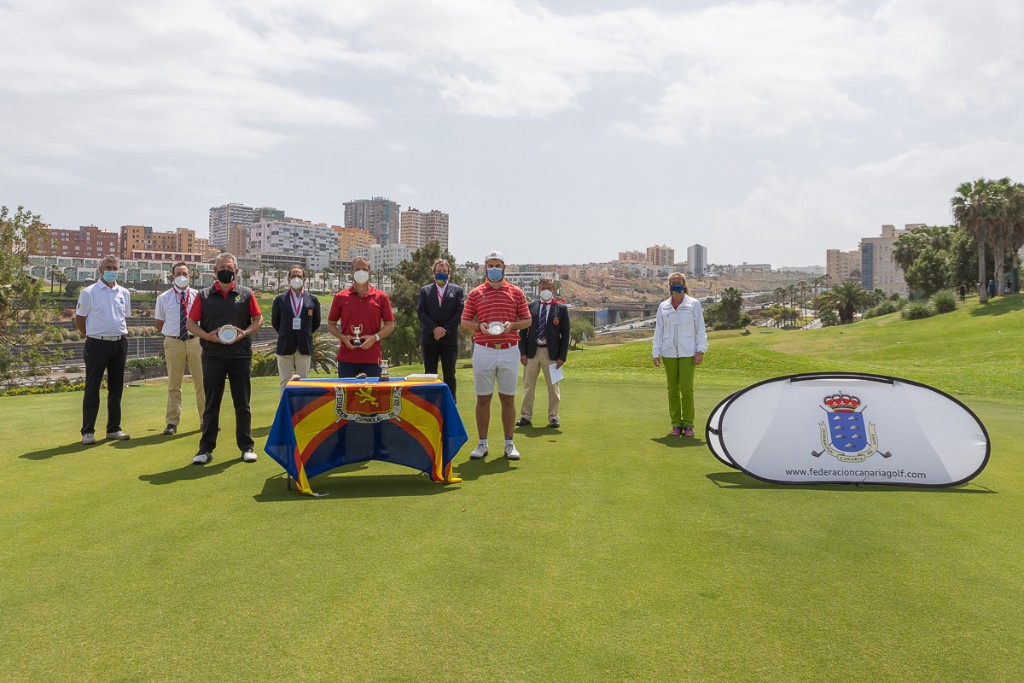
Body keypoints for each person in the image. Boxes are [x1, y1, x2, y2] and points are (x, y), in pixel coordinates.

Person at [186, 253, 263, 465]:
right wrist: (207, 336)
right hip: (212, 356)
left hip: (240, 356)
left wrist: (245, 333)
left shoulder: (246, 294)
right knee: (212, 404)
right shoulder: (203, 295)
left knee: (242, 403)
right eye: (221, 268)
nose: (225, 271)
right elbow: (191, 323)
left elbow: (258, 319)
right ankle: (205, 449)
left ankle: (247, 447)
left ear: (236, 272)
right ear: (215, 271)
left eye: (229, 268)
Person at [460, 250, 531, 460]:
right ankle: (482, 443)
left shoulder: (516, 292)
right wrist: (478, 326)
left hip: (509, 349)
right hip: (484, 350)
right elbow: (465, 322)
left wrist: (512, 325)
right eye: (490, 265)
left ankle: (509, 443)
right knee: (483, 398)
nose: (494, 269)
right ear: (485, 268)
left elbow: (527, 321)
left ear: (504, 268)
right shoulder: (475, 293)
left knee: (508, 398)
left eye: (497, 265)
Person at [74, 254, 131, 444]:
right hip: (97, 344)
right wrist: (91, 335)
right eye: (108, 268)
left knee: (116, 388)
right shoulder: (89, 292)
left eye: (115, 268)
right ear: (100, 270)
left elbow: (123, 317)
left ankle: (113, 428)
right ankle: (88, 431)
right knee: (92, 387)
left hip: (119, 343)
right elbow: (80, 320)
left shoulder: (124, 293)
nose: (112, 271)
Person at [652, 272, 708, 438]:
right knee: (672, 389)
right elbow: (658, 331)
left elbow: (700, 329)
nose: (676, 284)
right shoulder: (664, 306)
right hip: (669, 352)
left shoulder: (694, 304)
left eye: (678, 282)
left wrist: (700, 350)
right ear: (669, 286)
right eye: (672, 282)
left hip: (688, 352)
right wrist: (656, 352)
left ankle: (688, 424)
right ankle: (676, 424)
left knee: (686, 388)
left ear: (684, 284)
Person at [153, 261, 205, 435]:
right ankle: (172, 422)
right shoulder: (163, 298)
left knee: (202, 383)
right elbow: (159, 323)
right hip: (174, 342)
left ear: (190, 275)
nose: (182, 276)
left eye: (185, 273)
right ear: (172, 276)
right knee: (174, 384)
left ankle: (206, 420)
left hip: (196, 341)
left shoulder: (198, 296)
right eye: (178, 273)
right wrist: (173, 335)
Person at [327, 257, 395, 377]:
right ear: (351, 272)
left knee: (373, 396)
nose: (361, 272)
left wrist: (375, 338)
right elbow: (331, 324)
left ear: (370, 272)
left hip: (372, 358)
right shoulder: (340, 297)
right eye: (357, 269)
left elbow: (390, 325)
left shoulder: (382, 297)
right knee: (347, 395)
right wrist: (343, 338)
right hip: (347, 359)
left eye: (364, 269)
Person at [517, 277, 570, 429]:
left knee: (553, 386)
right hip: (532, 353)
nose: (545, 290)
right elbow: (523, 332)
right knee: (528, 386)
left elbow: (565, 335)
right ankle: (525, 416)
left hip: (551, 354)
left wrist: (562, 357)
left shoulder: (561, 309)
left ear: (553, 290)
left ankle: (553, 416)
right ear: (538, 289)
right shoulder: (530, 307)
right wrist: (523, 353)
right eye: (542, 288)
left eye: (548, 287)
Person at [416, 258, 465, 402]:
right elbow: (421, 312)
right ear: (434, 273)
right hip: (429, 339)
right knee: (430, 374)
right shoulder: (425, 290)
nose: (441, 274)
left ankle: (450, 403)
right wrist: (434, 329)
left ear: (449, 272)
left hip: (449, 339)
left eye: (444, 271)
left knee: (450, 374)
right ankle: (430, 403)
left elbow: (459, 312)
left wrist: (444, 330)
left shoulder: (457, 290)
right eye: (439, 271)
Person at [271, 265, 322, 392]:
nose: (296, 278)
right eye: (293, 276)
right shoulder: (280, 299)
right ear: (288, 279)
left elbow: (316, 322)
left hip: (304, 345)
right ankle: (285, 411)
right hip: (285, 344)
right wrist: (287, 333)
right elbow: (275, 322)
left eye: (299, 276)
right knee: (285, 381)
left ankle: (303, 411)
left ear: (304, 279)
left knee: (304, 381)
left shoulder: (313, 300)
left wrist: (303, 333)